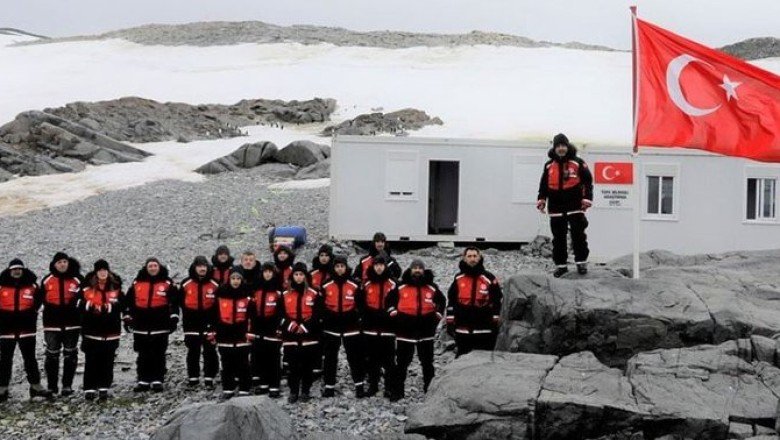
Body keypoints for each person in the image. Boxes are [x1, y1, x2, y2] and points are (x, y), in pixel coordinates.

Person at [536, 133, 593, 277]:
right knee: (558, 237)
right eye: (558, 146)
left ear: (567, 146)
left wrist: (586, 199)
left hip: (574, 205)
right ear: (554, 148)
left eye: (563, 146)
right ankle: (561, 266)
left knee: (578, 234)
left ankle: (581, 263)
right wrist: (541, 199)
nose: (561, 149)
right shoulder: (548, 165)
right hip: (556, 206)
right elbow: (543, 185)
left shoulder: (578, 162)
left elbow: (587, 182)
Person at [387, 259, 445, 401]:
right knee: (401, 363)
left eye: (420, 268)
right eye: (415, 268)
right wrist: (395, 316)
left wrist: (436, 317)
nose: (417, 270)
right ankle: (397, 392)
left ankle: (429, 390)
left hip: (426, 331)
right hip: (405, 332)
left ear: (424, 270)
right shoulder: (400, 287)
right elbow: (389, 302)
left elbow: (442, 302)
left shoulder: (432, 287)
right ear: (410, 270)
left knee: (427, 363)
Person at [124, 258, 179, 392]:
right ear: (146, 267)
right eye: (150, 266)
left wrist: (174, 318)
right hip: (141, 324)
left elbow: (174, 302)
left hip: (160, 324)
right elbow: (129, 302)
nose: (153, 268)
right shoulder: (137, 283)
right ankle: (143, 379)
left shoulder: (167, 283)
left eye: (155, 265)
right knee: (143, 353)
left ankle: (157, 379)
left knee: (158, 353)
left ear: (159, 267)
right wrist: (127, 317)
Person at [0, 259, 51, 401]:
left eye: (19, 269)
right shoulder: (1, 286)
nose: (16, 271)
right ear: (9, 271)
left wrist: (33, 311)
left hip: (27, 329)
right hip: (6, 330)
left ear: (23, 270)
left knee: (30, 358)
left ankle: (35, 386)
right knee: (5, 359)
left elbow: (41, 298)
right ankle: (2, 387)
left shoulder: (32, 285)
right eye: (14, 269)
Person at [445, 247, 503, 358]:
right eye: (469, 256)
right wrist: (450, 320)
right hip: (463, 328)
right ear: (464, 258)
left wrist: (495, 320)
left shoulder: (489, 278)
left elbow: (497, 299)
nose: (473, 259)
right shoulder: (458, 278)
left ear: (480, 257)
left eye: (475, 256)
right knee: (462, 359)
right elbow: (451, 300)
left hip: (484, 328)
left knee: (484, 360)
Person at [320, 255, 364, 398]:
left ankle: (359, 385)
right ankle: (329, 387)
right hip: (331, 326)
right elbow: (321, 305)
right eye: (337, 266)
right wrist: (326, 318)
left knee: (355, 356)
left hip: (350, 325)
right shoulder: (326, 284)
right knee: (330, 357)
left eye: (342, 266)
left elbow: (360, 305)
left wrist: (357, 318)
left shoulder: (354, 285)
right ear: (334, 268)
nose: (340, 269)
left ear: (346, 267)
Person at [39, 252, 83, 396]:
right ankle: (52, 386)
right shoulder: (47, 280)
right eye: (59, 262)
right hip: (52, 324)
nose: (62, 264)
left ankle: (67, 385)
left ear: (68, 263)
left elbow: (85, 298)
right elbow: (39, 300)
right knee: (52, 355)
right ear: (54, 264)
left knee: (70, 354)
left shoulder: (78, 279)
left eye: (64, 261)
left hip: (72, 324)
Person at [80, 260, 123, 401]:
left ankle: (104, 387)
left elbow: (122, 304)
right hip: (92, 331)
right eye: (100, 270)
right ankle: (89, 388)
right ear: (95, 272)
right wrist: (90, 306)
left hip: (111, 331)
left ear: (108, 271)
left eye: (105, 270)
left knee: (108, 360)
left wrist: (109, 308)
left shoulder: (116, 286)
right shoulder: (87, 287)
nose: (102, 273)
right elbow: (78, 303)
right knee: (91, 360)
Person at [279, 262, 321, 403]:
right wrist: (290, 325)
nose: (298, 277)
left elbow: (318, 314)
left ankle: (305, 391)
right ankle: (293, 391)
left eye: (301, 274)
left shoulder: (314, 293)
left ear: (305, 276)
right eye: (296, 274)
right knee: (292, 366)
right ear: (292, 277)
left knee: (307, 365)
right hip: (291, 336)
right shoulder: (284, 294)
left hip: (309, 336)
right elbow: (279, 315)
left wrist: (305, 326)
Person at [357, 252, 398, 398]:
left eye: (381, 265)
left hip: (387, 328)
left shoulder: (393, 284)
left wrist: (392, 316)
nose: (379, 268)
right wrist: (363, 318)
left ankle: (389, 387)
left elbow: (397, 303)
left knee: (389, 360)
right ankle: (373, 386)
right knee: (371, 359)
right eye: (376, 265)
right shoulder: (366, 284)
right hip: (370, 328)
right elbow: (360, 304)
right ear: (372, 266)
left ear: (385, 266)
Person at [208, 270, 252, 399]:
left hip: (242, 335)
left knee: (243, 362)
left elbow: (251, 316)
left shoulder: (248, 296)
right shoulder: (220, 297)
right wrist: (213, 332)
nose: (236, 281)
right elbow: (214, 316)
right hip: (224, 335)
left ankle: (244, 388)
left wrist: (250, 332)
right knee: (227, 363)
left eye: (238, 278)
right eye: (233, 278)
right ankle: (228, 387)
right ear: (229, 279)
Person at [179, 256, 220, 388]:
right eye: (199, 266)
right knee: (193, 351)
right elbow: (180, 302)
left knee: (210, 350)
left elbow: (219, 305)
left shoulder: (215, 284)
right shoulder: (185, 283)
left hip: (209, 322)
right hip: (191, 323)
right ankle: (193, 377)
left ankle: (210, 377)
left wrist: (215, 324)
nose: (202, 268)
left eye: (204, 266)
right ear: (194, 268)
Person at [248, 262, 283, 398]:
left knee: (273, 358)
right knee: (260, 356)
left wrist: (279, 327)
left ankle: (274, 385)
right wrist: (252, 328)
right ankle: (263, 384)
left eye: (270, 272)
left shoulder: (278, 292)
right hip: (258, 328)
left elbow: (281, 311)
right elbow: (251, 311)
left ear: (274, 274)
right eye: (265, 272)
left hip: (272, 329)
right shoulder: (257, 290)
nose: (267, 274)